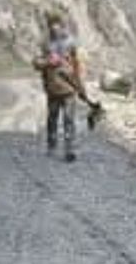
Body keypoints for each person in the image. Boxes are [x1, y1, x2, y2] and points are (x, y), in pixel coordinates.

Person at [32, 11, 104, 162]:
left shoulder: (70, 42)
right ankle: (52, 145)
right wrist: (47, 62)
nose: (54, 28)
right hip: (52, 87)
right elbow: (36, 62)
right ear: (48, 26)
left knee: (68, 119)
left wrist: (81, 87)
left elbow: (77, 65)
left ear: (61, 25)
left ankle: (69, 149)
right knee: (52, 118)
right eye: (51, 25)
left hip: (69, 87)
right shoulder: (45, 43)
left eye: (56, 24)